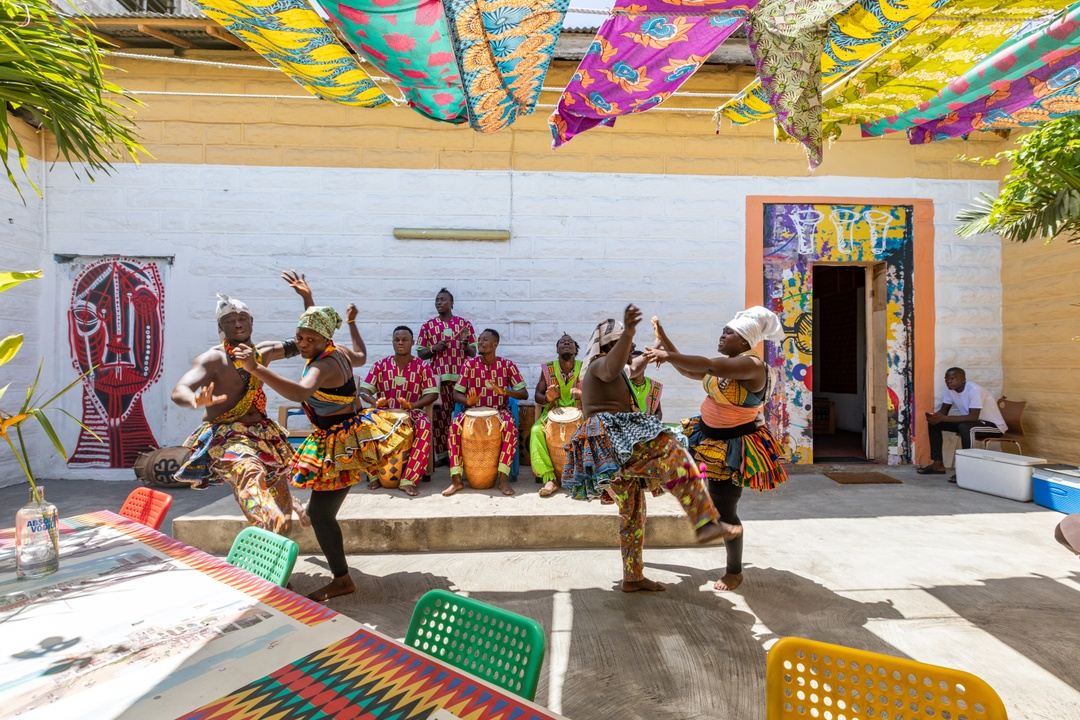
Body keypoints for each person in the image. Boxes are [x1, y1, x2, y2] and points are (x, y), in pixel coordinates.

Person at [234, 303, 409, 602]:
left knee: (321, 514)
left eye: (309, 339)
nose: (302, 344)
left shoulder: (322, 366)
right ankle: (335, 565)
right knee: (320, 511)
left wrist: (255, 368)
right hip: (345, 433)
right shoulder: (336, 349)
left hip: (342, 443)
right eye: (299, 337)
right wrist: (349, 321)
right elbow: (361, 355)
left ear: (324, 338)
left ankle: (342, 580)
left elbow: (300, 392)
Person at [562, 306, 738, 593]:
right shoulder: (600, 365)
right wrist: (629, 331)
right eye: (626, 342)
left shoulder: (619, 368)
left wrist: (658, 343)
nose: (631, 347)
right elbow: (615, 366)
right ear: (611, 344)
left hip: (610, 447)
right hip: (611, 441)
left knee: (632, 513)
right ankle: (705, 521)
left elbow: (635, 366)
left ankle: (633, 578)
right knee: (671, 448)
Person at [644, 306, 789, 592]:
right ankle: (700, 516)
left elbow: (707, 365)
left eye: (728, 333)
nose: (722, 336)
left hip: (733, 447)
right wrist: (666, 341)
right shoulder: (727, 363)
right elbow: (690, 370)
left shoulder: (750, 365)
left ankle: (734, 571)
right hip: (706, 437)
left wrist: (667, 353)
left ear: (745, 340)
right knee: (665, 460)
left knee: (725, 511)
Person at [171, 272, 313, 535]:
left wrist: (307, 298)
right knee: (252, 481)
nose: (237, 324)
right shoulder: (212, 359)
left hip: (264, 435)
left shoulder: (265, 352)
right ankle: (268, 523)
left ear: (251, 321)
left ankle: (277, 572)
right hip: (229, 438)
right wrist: (194, 399)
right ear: (220, 327)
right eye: (229, 320)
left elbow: (310, 339)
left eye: (242, 318)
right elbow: (179, 389)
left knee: (282, 514)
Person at [443, 329, 528, 497]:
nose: (480, 343)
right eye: (479, 340)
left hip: (499, 412)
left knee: (510, 426)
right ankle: (456, 480)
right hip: (472, 412)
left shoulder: (507, 365)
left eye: (484, 340)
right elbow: (456, 393)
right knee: (454, 427)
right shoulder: (469, 365)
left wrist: (504, 391)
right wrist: (468, 401)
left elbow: (524, 393)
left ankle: (503, 479)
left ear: (495, 344)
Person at [358, 326, 438, 496]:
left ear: (413, 342)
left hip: (411, 412)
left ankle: (409, 479)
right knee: (363, 421)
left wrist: (413, 405)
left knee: (424, 423)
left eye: (404, 339)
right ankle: (373, 475)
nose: (400, 342)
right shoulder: (380, 365)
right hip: (384, 412)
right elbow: (364, 391)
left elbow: (432, 393)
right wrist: (375, 402)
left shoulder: (422, 366)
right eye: (397, 340)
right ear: (393, 342)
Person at [417, 289, 477, 465]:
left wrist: (465, 346)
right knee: (439, 418)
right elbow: (420, 353)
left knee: (461, 416)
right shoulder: (428, 326)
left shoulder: (464, 325)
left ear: (452, 303)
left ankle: (462, 454)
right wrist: (434, 349)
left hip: (461, 380)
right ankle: (443, 456)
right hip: (438, 379)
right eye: (437, 300)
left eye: (443, 300)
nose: (439, 302)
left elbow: (473, 353)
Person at [918, 367, 1007, 480]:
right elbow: (944, 411)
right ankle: (937, 464)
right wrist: (935, 417)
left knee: (965, 427)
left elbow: (973, 417)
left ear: (963, 379)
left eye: (952, 378)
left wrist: (943, 418)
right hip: (973, 423)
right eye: (946, 379)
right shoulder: (950, 389)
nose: (948, 381)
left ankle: (966, 470)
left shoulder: (974, 390)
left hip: (993, 427)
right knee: (935, 424)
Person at [531, 334, 583, 497]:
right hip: (552, 414)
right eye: (562, 342)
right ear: (557, 349)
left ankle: (583, 477)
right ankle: (549, 478)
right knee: (536, 431)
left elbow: (597, 395)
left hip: (579, 415)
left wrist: (583, 394)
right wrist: (547, 398)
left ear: (576, 349)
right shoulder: (548, 369)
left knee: (595, 430)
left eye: (570, 342)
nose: (566, 343)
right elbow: (537, 396)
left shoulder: (585, 367)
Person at [628, 349, 663, 418]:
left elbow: (658, 411)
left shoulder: (654, 386)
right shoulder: (624, 383)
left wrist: (652, 422)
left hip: (649, 426)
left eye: (638, 363)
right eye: (630, 364)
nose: (634, 367)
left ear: (645, 365)